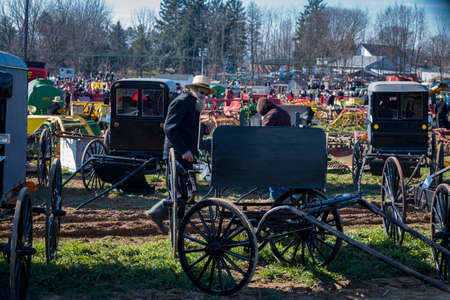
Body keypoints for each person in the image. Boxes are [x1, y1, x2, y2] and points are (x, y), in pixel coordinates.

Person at [146, 75, 215, 233]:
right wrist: (184, 151)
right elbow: (170, 128)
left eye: (205, 93)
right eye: (200, 91)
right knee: (180, 194)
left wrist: (203, 129)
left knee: (185, 194)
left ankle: (170, 223)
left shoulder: (193, 104)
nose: (203, 95)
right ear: (191, 89)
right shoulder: (182, 102)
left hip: (185, 154)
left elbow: (187, 127)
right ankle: (165, 221)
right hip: (176, 154)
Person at [256, 97, 291, 200]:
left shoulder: (271, 115)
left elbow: (263, 133)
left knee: (273, 175)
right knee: (283, 176)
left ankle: (275, 198)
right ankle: (287, 197)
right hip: (285, 148)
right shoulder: (283, 112)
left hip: (275, 149)